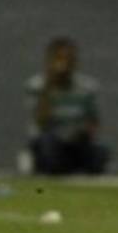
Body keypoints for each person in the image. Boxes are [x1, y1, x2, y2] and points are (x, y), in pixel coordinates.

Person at [25, 37, 106, 175]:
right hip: (50, 142)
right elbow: (40, 121)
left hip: (76, 142)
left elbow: (93, 121)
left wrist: (82, 132)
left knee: (100, 152)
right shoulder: (37, 86)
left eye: (69, 59)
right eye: (59, 58)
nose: (64, 64)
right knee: (47, 145)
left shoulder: (86, 87)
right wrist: (49, 86)